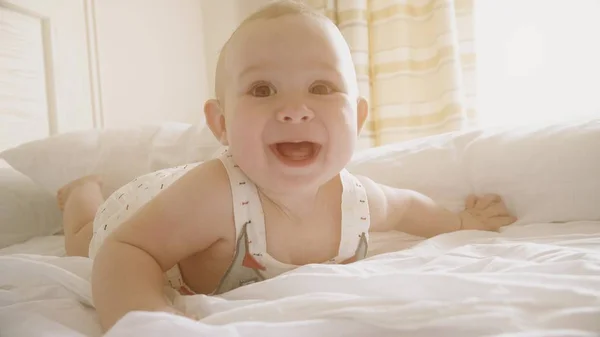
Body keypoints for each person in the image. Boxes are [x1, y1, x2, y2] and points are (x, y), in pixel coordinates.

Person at [57, 0, 517, 331]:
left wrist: (460, 219)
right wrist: (146, 316)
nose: (295, 109)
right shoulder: (214, 194)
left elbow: (408, 209)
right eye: (262, 90)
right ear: (221, 123)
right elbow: (127, 251)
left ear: (357, 117)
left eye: (320, 87)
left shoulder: (356, 198)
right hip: (144, 208)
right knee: (84, 242)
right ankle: (80, 194)